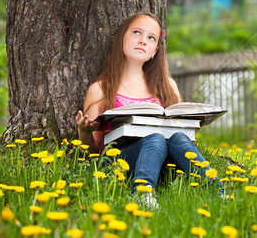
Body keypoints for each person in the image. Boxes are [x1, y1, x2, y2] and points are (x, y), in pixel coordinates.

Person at [75, 12, 212, 208]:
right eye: (136, 32)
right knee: (155, 137)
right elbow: (94, 152)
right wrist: (84, 131)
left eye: (151, 38)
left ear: (155, 50)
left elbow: (176, 132)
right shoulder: (100, 89)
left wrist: (188, 126)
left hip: (162, 165)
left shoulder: (167, 86)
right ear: (121, 37)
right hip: (120, 164)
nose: (142, 41)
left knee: (179, 139)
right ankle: (143, 194)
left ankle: (217, 191)